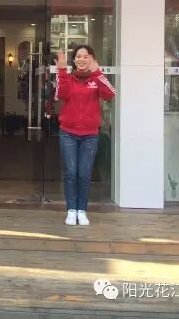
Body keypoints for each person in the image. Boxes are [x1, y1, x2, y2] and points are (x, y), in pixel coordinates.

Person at [54, 45, 115, 226]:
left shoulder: (97, 78)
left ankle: (82, 211)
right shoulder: (67, 77)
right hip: (68, 134)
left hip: (90, 135)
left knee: (84, 174)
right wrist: (62, 71)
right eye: (78, 56)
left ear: (92, 59)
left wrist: (97, 73)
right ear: (74, 60)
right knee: (71, 173)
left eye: (85, 56)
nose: (81, 59)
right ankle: (71, 210)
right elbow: (61, 94)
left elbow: (109, 94)